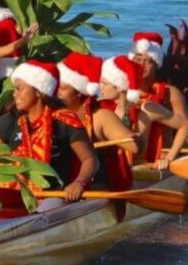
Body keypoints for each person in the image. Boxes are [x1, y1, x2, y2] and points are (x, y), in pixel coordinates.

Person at [0, 59, 98, 205]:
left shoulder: (64, 121)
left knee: (50, 205)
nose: (14, 94)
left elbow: (90, 160)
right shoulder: (8, 121)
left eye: (19, 88)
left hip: (53, 197)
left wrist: (79, 182)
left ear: (38, 91)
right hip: (14, 194)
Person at [58, 52, 136, 219]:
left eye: (63, 88)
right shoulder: (54, 113)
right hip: (62, 186)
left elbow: (135, 147)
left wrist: (140, 139)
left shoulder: (101, 116)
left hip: (95, 186)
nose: (57, 93)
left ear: (79, 91)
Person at [128, 32, 188, 161]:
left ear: (156, 64)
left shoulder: (170, 93)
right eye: (137, 59)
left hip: (160, 159)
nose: (141, 65)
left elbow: (186, 127)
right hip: (129, 154)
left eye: (147, 61)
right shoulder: (122, 90)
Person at [101, 55, 188, 171]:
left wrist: (169, 158)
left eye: (104, 83)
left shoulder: (147, 109)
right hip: (111, 170)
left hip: (139, 170)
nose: (100, 88)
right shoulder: (101, 110)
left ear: (118, 87)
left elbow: (186, 126)